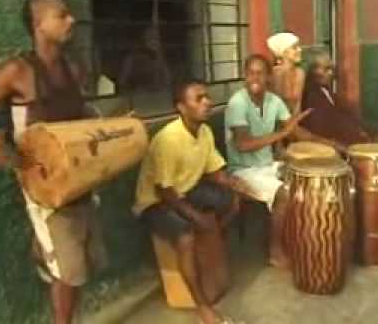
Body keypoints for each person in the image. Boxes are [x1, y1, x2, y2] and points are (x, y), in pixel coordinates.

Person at [0, 0, 107, 324]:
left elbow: (79, 114)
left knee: (84, 262)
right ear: (39, 25)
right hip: (41, 183)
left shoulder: (73, 67)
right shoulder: (18, 71)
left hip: (76, 179)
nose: (71, 21)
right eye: (62, 15)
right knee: (68, 273)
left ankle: (44, 252)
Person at [133, 79, 247, 324]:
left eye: (207, 96)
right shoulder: (168, 139)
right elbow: (165, 192)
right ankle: (203, 308)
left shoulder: (204, 132)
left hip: (185, 191)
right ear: (181, 107)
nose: (207, 102)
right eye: (199, 98)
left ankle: (211, 263)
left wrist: (234, 186)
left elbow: (215, 171)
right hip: (155, 202)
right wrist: (197, 218)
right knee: (186, 235)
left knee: (229, 201)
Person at [224, 54, 343, 269]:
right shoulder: (237, 103)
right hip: (242, 171)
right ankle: (275, 250)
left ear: (269, 76)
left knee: (306, 178)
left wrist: (329, 143)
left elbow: (295, 131)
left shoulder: (273, 101)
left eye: (260, 73)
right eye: (250, 73)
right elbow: (243, 144)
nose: (255, 78)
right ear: (244, 76)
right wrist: (281, 135)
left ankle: (303, 239)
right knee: (284, 193)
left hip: (267, 166)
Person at [300, 52, 372, 145]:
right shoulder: (310, 95)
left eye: (331, 69)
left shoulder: (326, 90)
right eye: (326, 69)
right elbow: (322, 127)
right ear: (313, 70)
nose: (331, 73)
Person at [118, 26, 172, 94]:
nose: (154, 41)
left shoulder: (160, 58)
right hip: (138, 97)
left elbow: (168, 81)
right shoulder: (132, 59)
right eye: (150, 38)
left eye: (156, 39)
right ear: (143, 40)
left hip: (159, 97)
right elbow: (122, 83)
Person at [267, 32, 305, 115]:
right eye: (294, 47)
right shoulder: (276, 73)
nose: (300, 50)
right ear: (283, 52)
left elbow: (298, 105)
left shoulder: (300, 73)